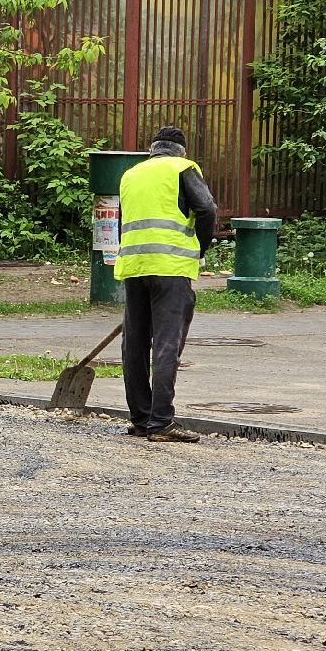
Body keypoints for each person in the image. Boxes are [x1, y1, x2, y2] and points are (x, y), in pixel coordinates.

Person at [115, 125, 229, 442]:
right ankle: (162, 422)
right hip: (170, 266)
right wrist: (200, 247)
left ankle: (141, 419)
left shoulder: (131, 175)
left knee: (134, 345)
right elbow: (206, 208)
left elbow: (121, 221)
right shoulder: (183, 168)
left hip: (134, 265)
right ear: (181, 151)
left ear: (152, 150)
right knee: (167, 343)